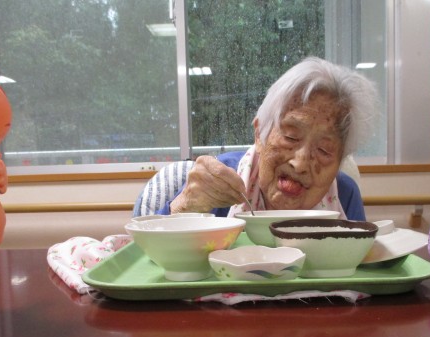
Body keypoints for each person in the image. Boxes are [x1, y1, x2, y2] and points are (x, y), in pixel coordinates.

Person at [157, 56, 377, 221]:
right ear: (259, 134)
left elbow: (360, 266)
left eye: (324, 150)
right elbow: (148, 253)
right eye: (291, 136)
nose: (300, 164)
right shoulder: (220, 181)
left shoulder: (345, 195)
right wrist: (184, 206)